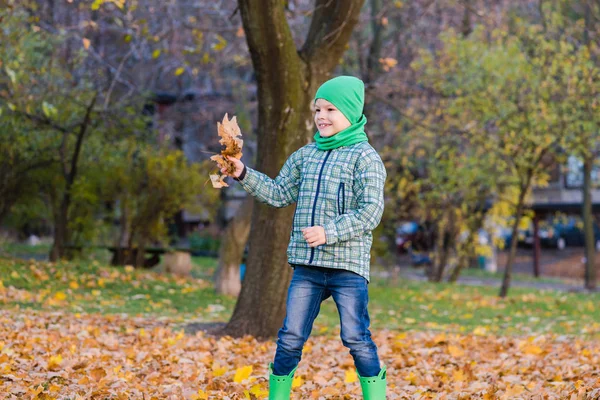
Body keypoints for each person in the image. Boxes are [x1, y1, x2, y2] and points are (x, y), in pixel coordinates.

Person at [220, 76, 387, 400]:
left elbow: (371, 212)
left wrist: (329, 231)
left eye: (330, 109)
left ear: (351, 113)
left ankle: (376, 396)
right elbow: (280, 193)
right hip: (308, 268)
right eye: (317, 109)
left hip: (347, 268)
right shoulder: (305, 156)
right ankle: (278, 396)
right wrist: (242, 173)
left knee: (355, 336)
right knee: (291, 336)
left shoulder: (365, 158)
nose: (321, 116)